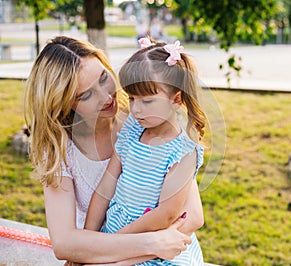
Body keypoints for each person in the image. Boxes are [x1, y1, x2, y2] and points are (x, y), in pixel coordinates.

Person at [24, 36, 204, 265]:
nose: (106, 96)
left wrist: (113, 257)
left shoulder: (143, 122)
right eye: (86, 95)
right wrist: (148, 244)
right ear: (64, 102)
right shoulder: (60, 150)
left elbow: (192, 216)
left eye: (103, 78)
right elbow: (64, 243)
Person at [85, 37, 206, 265]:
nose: (136, 109)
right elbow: (104, 190)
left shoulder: (183, 151)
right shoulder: (132, 129)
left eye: (147, 101)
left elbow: (165, 216)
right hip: (113, 236)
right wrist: (88, 242)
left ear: (176, 99)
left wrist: (109, 246)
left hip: (152, 247)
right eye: (132, 98)